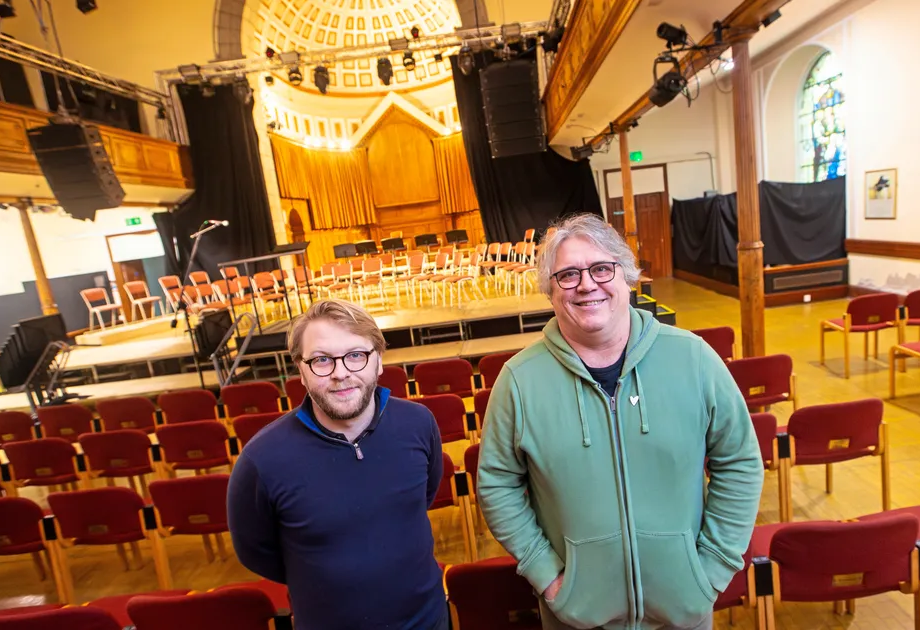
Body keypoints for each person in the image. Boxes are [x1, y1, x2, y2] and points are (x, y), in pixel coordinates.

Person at [477, 213, 763, 630]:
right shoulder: (518, 381)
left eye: (601, 268)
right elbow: (497, 484)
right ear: (550, 291)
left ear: (628, 277)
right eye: (568, 274)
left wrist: (711, 570)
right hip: (576, 615)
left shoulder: (694, 358)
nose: (587, 284)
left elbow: (739, 461)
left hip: (683, 611)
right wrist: (550, 577)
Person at [227, 299, 447, 630]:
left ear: (379, 361)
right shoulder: (262, 459)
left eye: (356, 355)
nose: (341, 373)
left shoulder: (419, 423)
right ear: (300, 371)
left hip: (427, 623)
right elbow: (255, 552)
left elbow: (423, 498)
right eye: (321, 360)